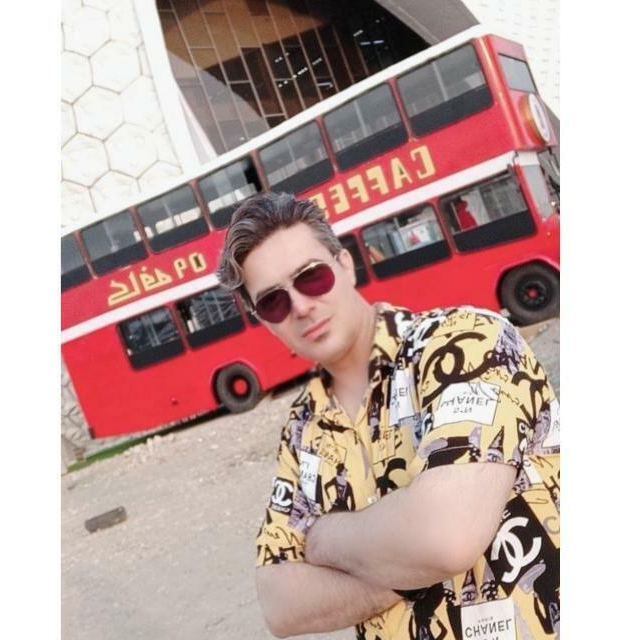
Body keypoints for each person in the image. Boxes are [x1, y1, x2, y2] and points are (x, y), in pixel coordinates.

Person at [217, 193, 560, 640]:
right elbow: (280, 606)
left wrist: (324, 538)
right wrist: (410, 560)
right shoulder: (302, 430)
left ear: (345, 265)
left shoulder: (467, 342)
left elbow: (446, 536)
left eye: (312, 276)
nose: (300, 306)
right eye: (273, 302)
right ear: (264, 321)